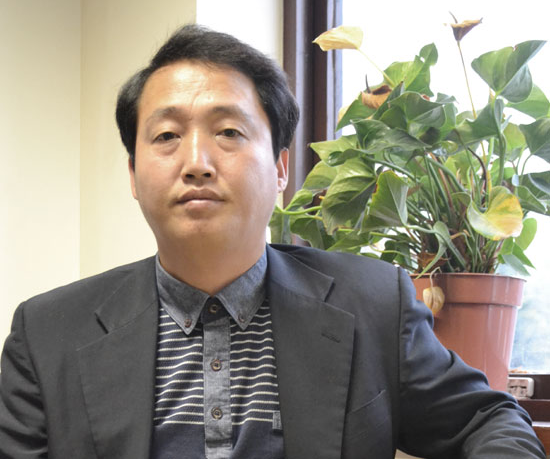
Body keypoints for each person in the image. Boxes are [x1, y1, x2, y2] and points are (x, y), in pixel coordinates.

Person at [0, 24, 545, 459]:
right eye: (166, 136)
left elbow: (489, 419)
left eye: (229, 132)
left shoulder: (375, 305)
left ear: (281, 169)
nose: (196, 162)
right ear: (133, 174)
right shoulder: (46, 335)